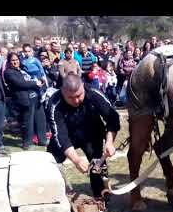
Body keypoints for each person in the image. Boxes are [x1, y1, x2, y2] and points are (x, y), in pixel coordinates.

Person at [46, 74, 120, 202]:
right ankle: (59, 194)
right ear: (62, 92)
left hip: (92, 133)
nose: (76, 101)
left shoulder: (94, 93)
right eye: (71, 97)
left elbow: (112, 118)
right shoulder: (54, 103)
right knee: (51, 159)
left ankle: (101, 195)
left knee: (98, 162)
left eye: (79, 95)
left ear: (83, 87)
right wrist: (76, 160)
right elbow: (60, 136)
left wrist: (109, 142)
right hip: (68, 135)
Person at [3, 52, 43, 150]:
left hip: (34, 97)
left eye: (16, 60)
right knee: (27, 122)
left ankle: (42, 140)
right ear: (9, 62)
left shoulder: (21, 69)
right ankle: (27, 143)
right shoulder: (8, 72)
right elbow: (20, 83)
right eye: (13, 60)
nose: (15, 62)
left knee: (40, 119)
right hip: (23, 100)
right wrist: (35, 83)